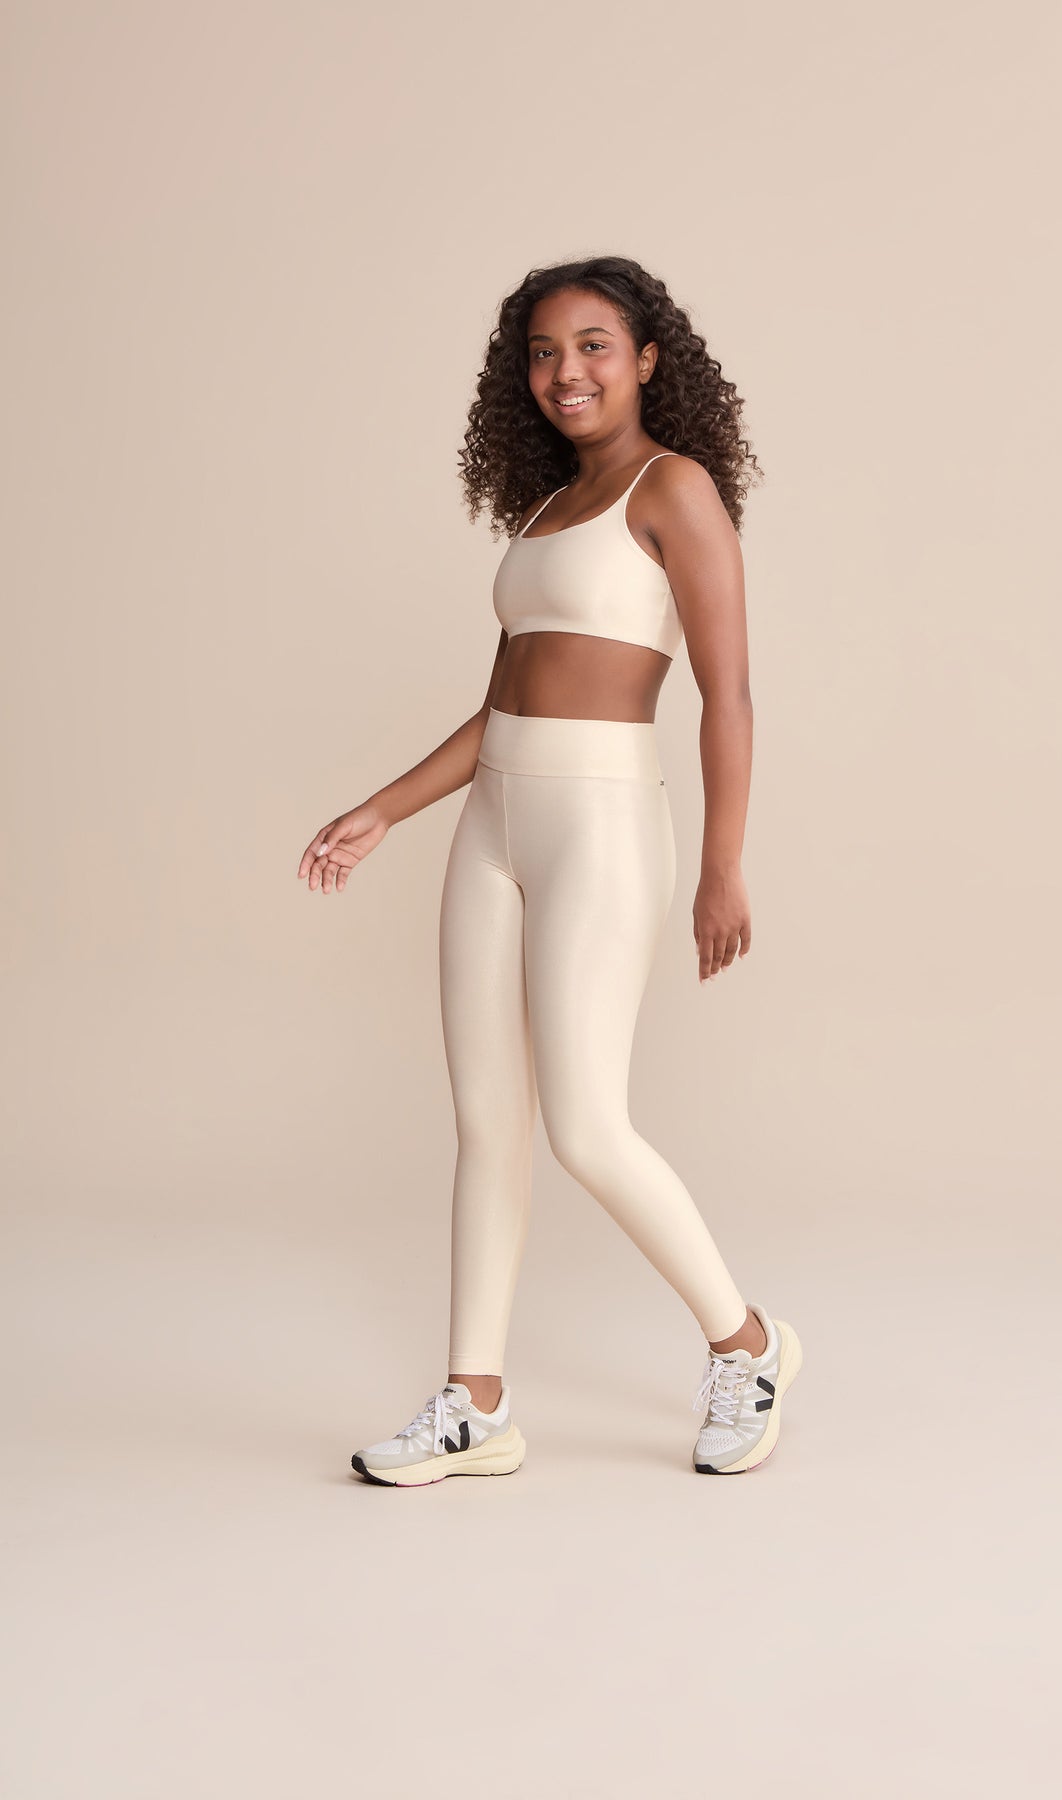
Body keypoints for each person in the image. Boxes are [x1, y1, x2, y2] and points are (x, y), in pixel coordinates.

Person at [296, 254, 801, 1486]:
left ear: (648, 360)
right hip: (495, 823)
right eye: (541, 352)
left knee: (585, 1123)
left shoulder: (674, 489)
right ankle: (475, 1402)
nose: (564, 371)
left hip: (601, 822)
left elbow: (729, 692)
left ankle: (748, 1344)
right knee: (486, 1119)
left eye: (592, 346)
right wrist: (384, 810)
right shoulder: (544, 510)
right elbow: (502, 706)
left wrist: (723, 865)